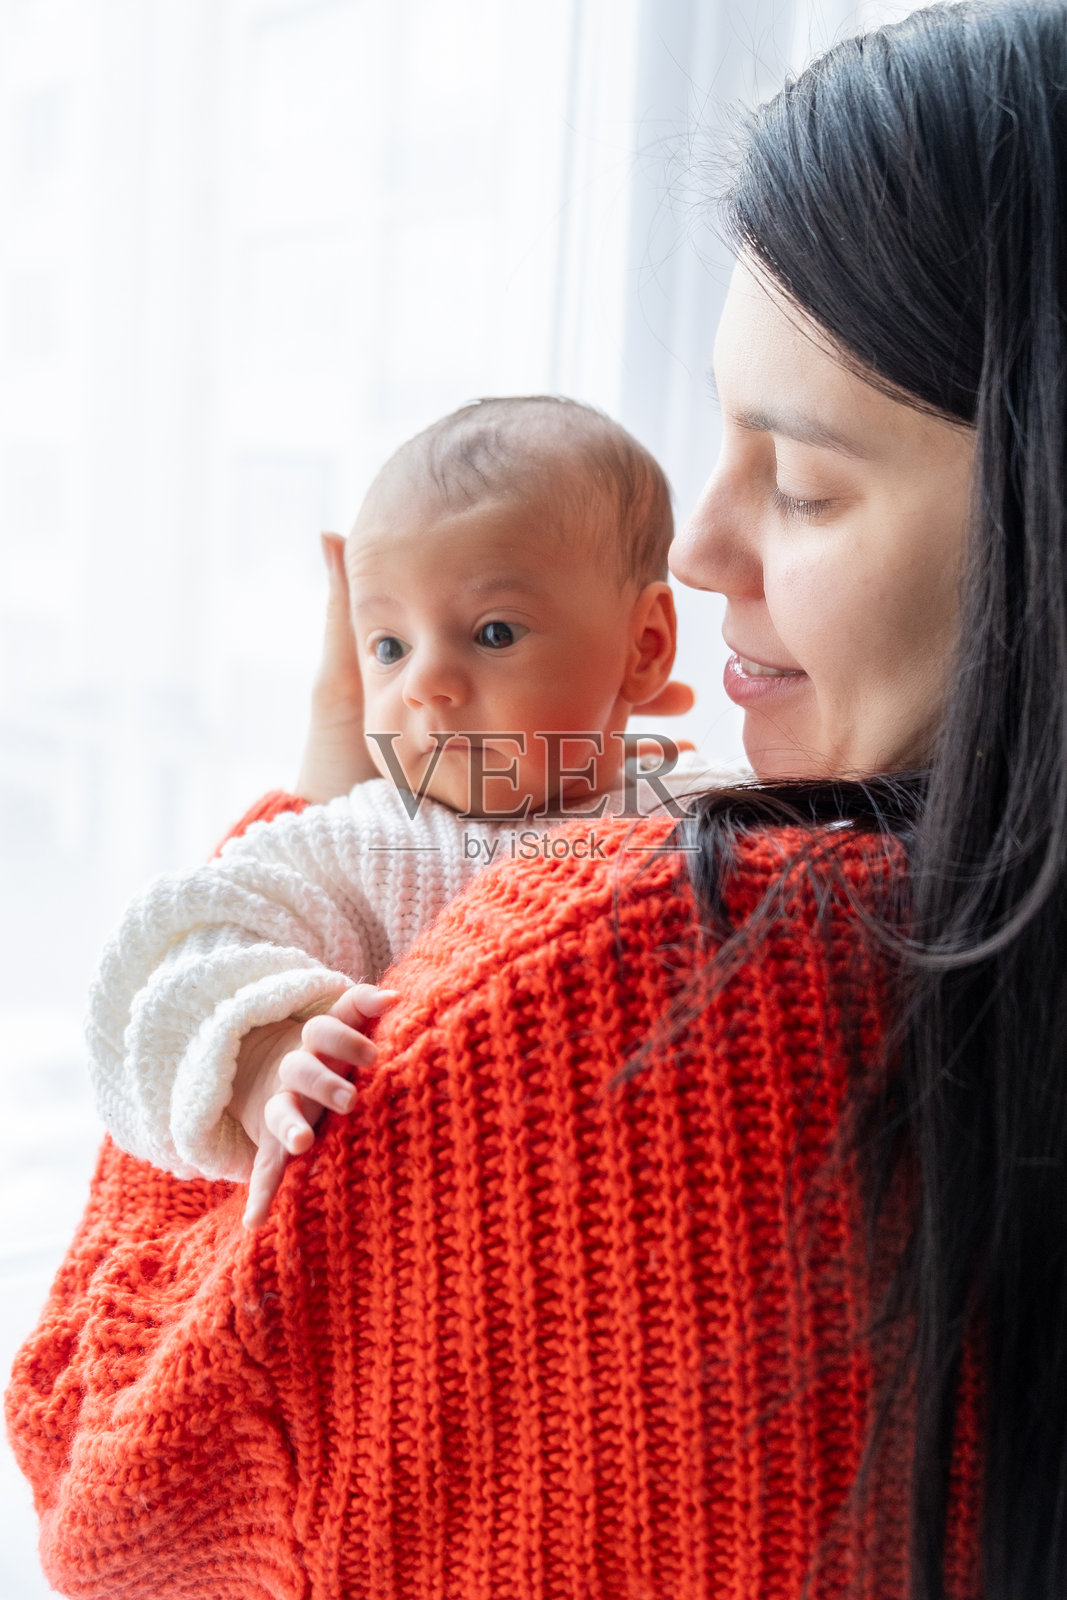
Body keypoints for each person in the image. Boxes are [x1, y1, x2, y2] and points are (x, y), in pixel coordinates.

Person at [7, 0, 1065, 1594]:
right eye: (714, 447)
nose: (700, 557)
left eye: (800, 481)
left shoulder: (625, 969)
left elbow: (107, 1490)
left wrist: (294, 822)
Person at [85, 394, 733, 1227]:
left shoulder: (705, 801)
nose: (424, 680)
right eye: (388, 646)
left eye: (493, 632)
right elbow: (177, 948)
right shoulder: (370, 842)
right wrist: (264, 1050)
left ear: (644, 645)